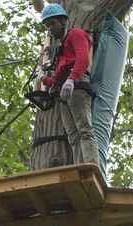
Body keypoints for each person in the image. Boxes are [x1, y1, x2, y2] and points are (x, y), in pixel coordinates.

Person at [40, 4, 100, 166]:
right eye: (47, 26)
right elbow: (57, 80)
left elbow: (83, 59)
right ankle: (79, 167)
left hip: (77, 86)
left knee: (84, 129)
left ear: (63, 21)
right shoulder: (60, 49)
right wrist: (45, 79)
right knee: (73, 135)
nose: (50, 29)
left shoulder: (76, 34)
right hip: (64, 92)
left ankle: (91, 165)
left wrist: (71, 79)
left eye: (52, 23)